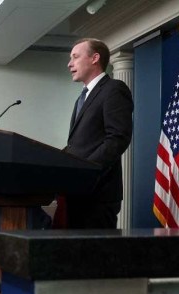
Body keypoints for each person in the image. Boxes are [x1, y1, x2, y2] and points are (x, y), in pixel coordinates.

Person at [63, 37, 133, 229]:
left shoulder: (114, 89)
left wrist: (87, 171)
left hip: (98, 194)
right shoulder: (81, 98)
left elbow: (118, 138)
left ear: (95, 58)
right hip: (77, 192)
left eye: (75, 57)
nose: (70, 64)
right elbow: (78, 145)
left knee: (97, 257)